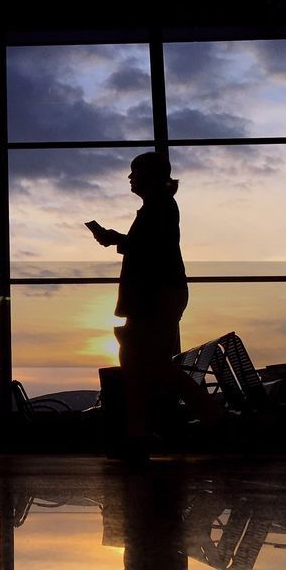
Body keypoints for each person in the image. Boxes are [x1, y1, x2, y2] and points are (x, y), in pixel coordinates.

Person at [90, 151, 221, 453]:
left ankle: (206, 418)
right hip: (155, 295)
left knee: (147, 362)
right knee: (140, 362)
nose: (130, 178)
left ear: (149, 175)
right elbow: (153, 247)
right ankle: (145, 431)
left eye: (135, 172)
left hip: (154, 296)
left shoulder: (159, 207)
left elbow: (150, 249)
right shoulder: (159, 207)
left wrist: (115, 239)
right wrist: (119, 240)